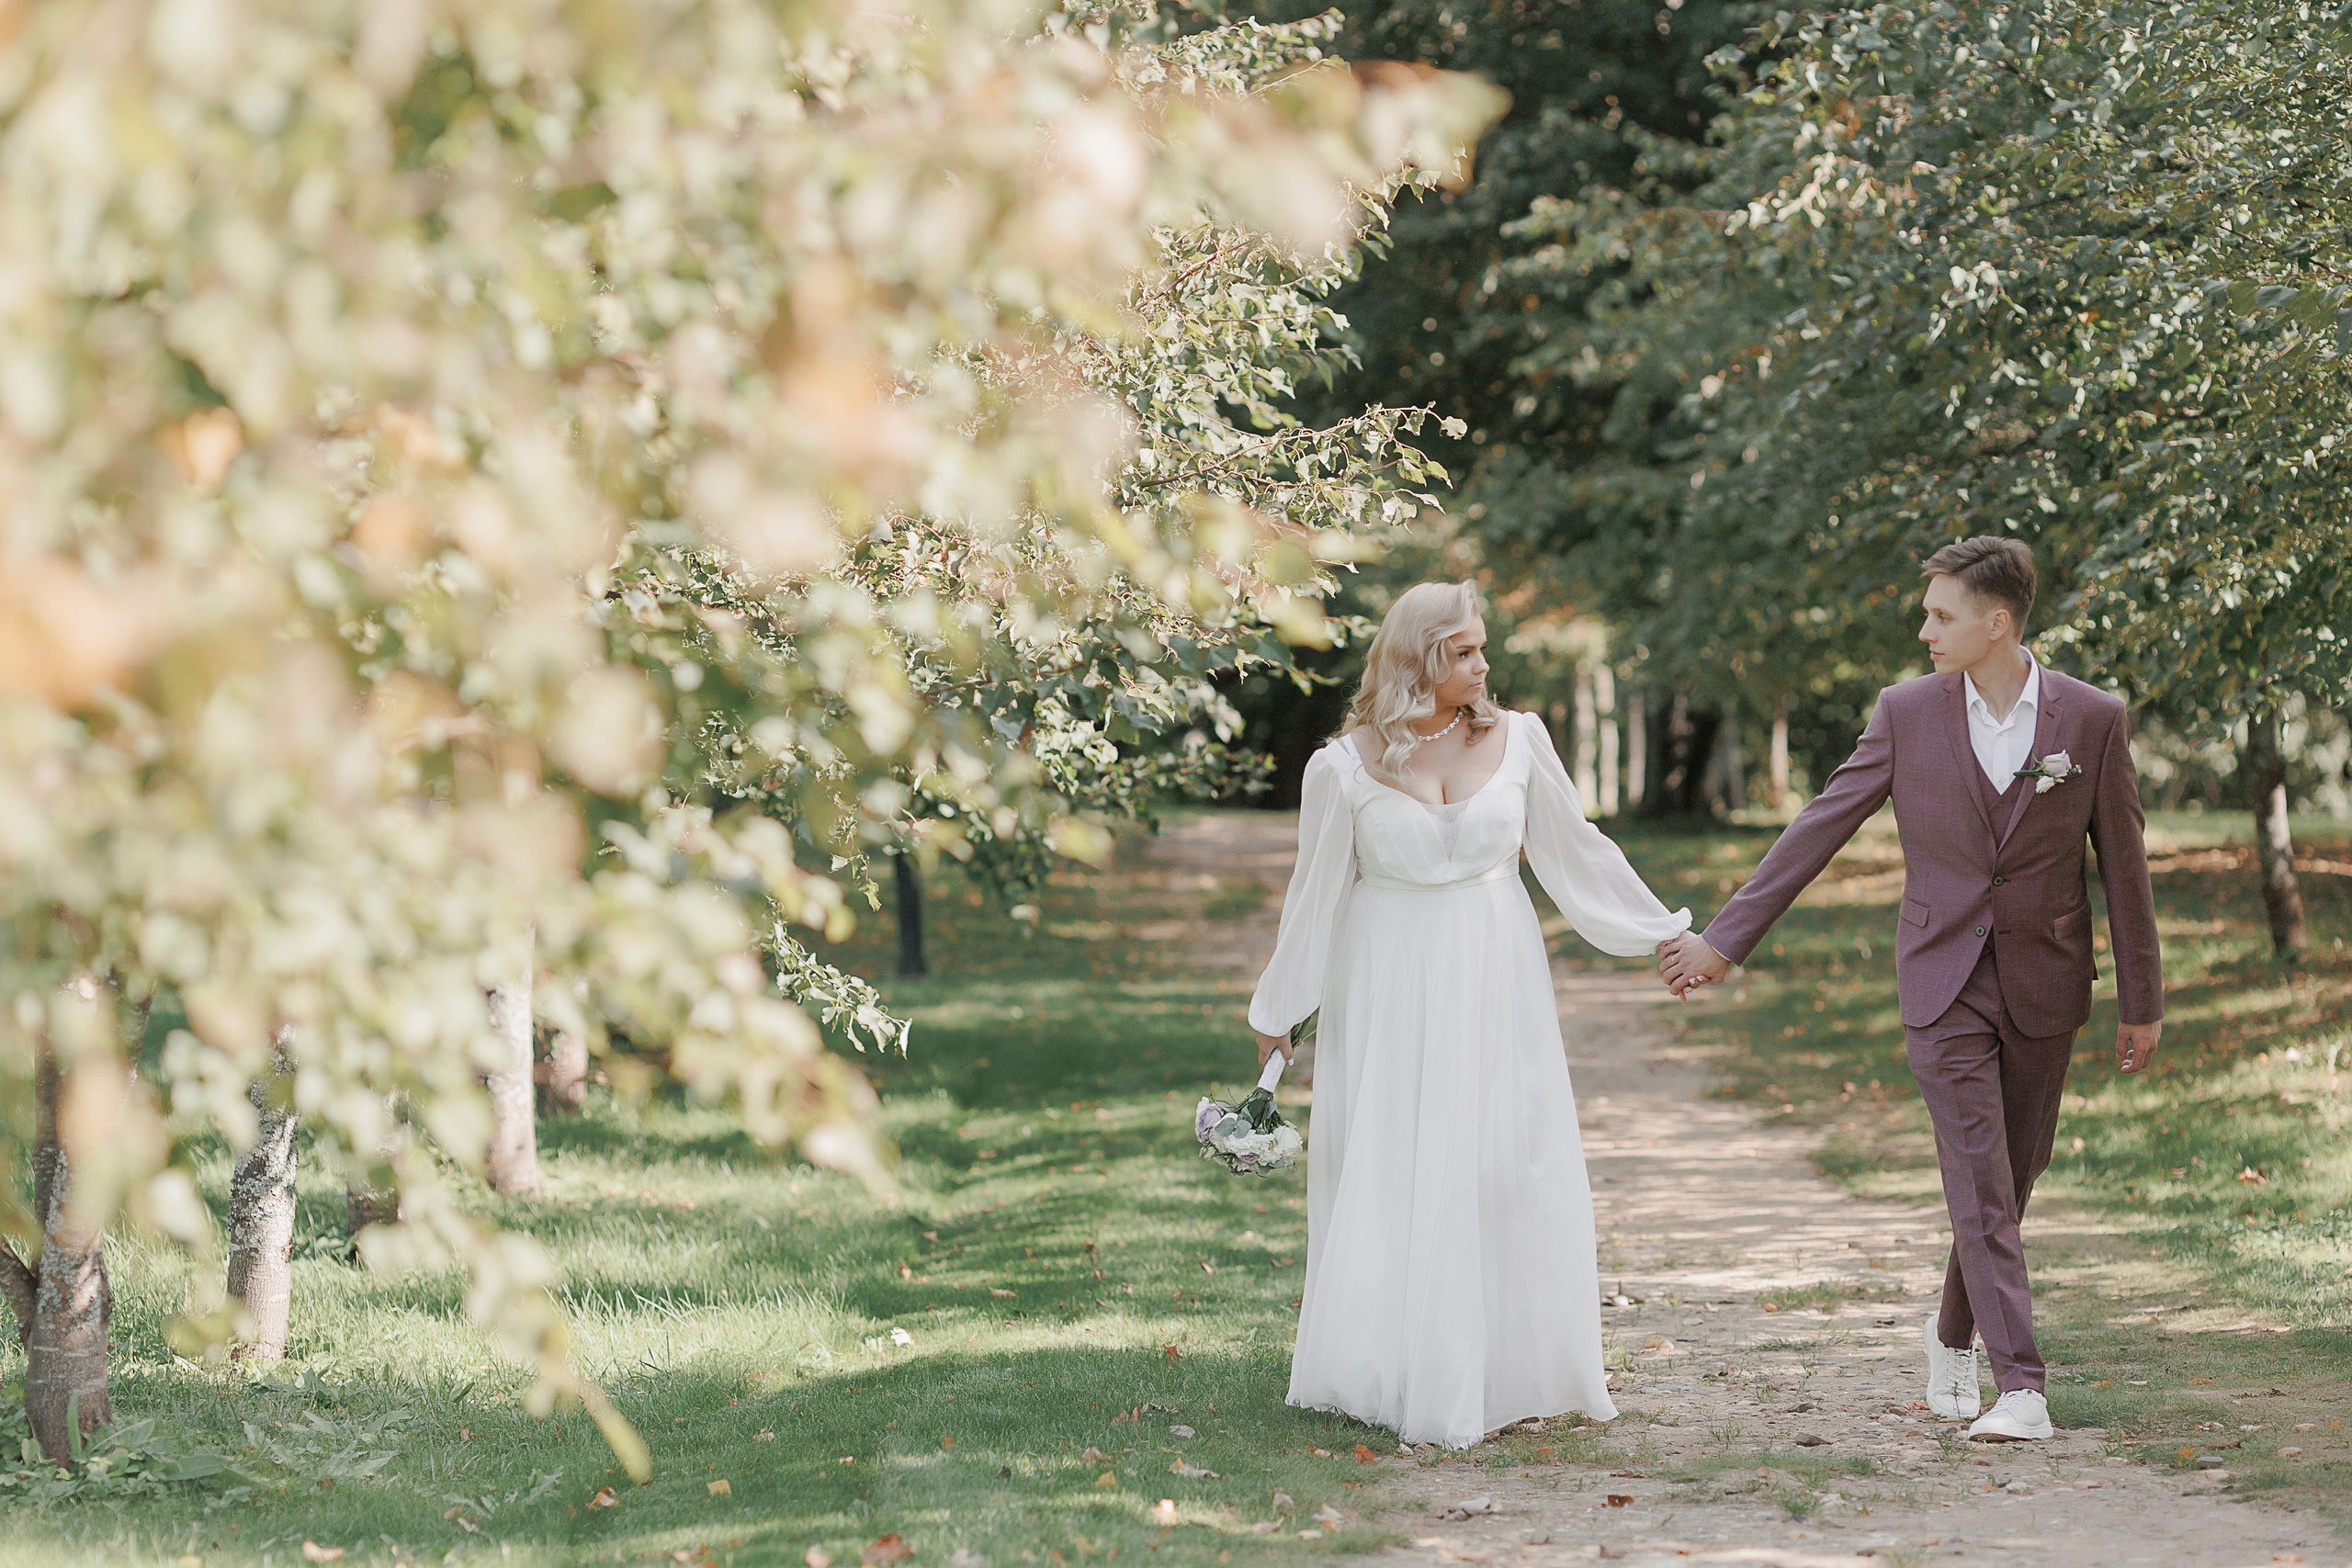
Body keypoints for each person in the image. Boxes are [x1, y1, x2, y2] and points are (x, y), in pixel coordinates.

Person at [1657, 536, 2164, 1443]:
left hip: (2045, 982)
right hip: (1940, 980)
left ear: (1994, 622)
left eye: (1940, 614)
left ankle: (1950, 1334)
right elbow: (1817, 828)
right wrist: (1724, 942)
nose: (1924, 630)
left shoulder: (2090, 720)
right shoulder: (1904, 713)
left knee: (2009, 1180)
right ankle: (2023, 1388)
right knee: (1977, 1176)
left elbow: (2123, 868)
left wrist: (2142, 1000)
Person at [1245, 580, 1691, 1450]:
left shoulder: (1519, 739)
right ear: (1418, 657)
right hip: (1388, 979)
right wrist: (1280, 1005)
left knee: (1500, 1158)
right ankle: (1389, 1365)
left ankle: (1511, 1365)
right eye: (1465, 650)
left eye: (1483, 646)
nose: (1485, 664)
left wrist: (1660, 932)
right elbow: (1315, 897)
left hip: (1496, 975)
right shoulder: (1338, 768)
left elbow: (1577, 852)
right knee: (1396, 1158)